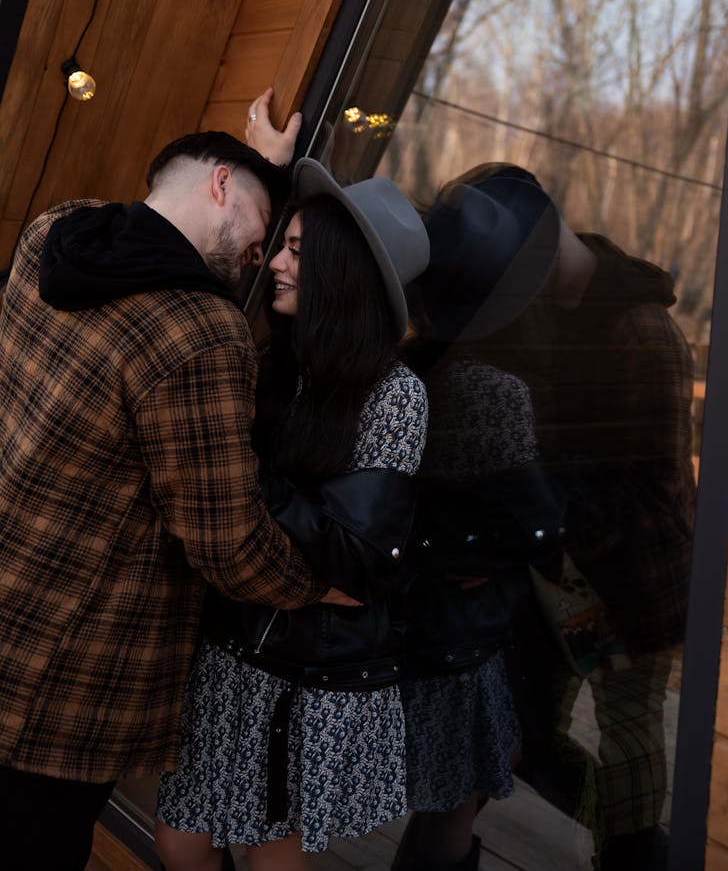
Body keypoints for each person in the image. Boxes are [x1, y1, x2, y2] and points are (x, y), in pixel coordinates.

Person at [0, 96, 350, 871]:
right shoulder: (196, 332)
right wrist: (315, 582)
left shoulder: (56, 232)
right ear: (221, 185)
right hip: (66, 682)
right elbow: (227, 542)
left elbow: (175, 246)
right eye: (265, 233)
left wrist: (268, 174)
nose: (263, 258)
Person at [154, 158, 430, 871]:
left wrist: (244, 479)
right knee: (183, 841)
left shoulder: (392, 395)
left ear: (343, 273)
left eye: (297, 251)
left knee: (265, 851)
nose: (273, 260)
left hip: (305, 670)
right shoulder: (278, 361)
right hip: (232, 646)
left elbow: (358, 558)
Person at [446, 164, 696, 871]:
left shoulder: (643, 334)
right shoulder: (540, 311)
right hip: (549, 575)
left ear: (546, 245)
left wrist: (529, 508)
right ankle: (626, 838)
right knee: (522, 734)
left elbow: (651, 496)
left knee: (629, 742)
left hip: (631, 583)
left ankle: (632, 852)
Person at [395, 177, 566, 871]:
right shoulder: (497, 393)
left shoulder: (404, 367)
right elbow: (541, 528)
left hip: (411, 619)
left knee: (443, 803)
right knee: (451, 810)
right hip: (464, 642)